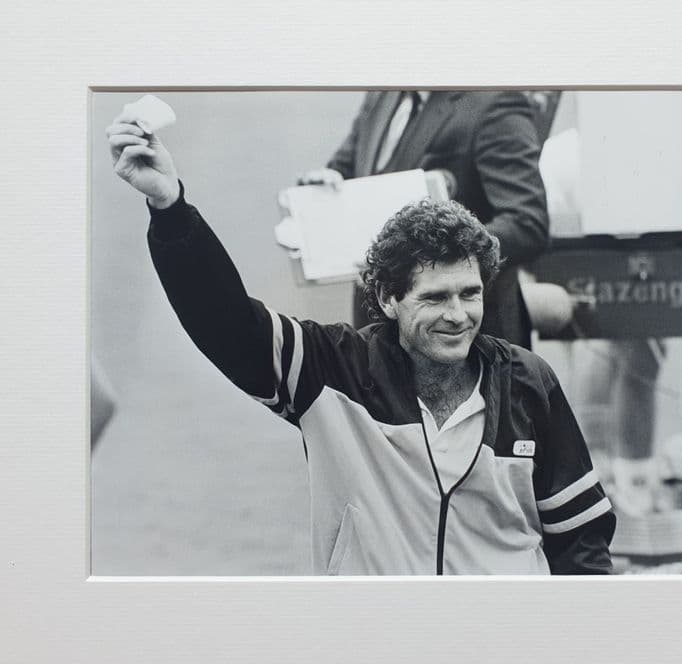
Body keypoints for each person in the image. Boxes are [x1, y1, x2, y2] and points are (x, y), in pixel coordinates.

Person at [106, 112, 615, 575]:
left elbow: (581, 540)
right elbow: (225, 321)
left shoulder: (528, 381)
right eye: (435, 298)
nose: (458, 316)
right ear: (389, 299)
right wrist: (169, 206)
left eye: (470, 293)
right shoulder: (333, 370)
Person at [297, 90, 551, 348]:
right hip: (380, 333)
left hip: (462, 335)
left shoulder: (495, 101)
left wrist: (437, 253)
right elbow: (345, 172)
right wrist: (321, 190)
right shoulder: (381, 96)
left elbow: (526, 223)